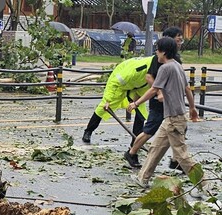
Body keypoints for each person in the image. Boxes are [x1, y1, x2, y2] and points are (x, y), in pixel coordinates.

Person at [126, 37, 202, 195]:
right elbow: (187, 89)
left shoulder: (165, 68)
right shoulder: (178, 66)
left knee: (181, 155)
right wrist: (192, 108)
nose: (156, 53)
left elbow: (154, 89)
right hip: (172, 117)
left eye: (158, 50)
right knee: (156, 148)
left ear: (164, 52)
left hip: (174, 119)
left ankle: (204, 184)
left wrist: (136, 103)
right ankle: (143, 178)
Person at [124, 27, 185, 168]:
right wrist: (159, 93)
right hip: (159, 103)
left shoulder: (175, 60)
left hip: (172, 105)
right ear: (169, 40)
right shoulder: (160, 59)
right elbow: (149, 78)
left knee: (177, 131)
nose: (180, 41)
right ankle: (132, 152)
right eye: (178, 38)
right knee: (150, 131)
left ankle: (177, 160)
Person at [82, 56, 153, 146]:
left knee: (140, 113)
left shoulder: (156, 71)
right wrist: (108, 100)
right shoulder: (136, 70)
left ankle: (135, 141)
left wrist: (135, 102)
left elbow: (145, 88)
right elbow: (114, 83)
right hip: (119, 84)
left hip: (136, 88)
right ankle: (88, 131)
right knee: (103, 108)